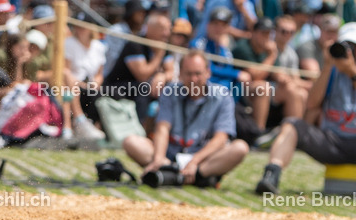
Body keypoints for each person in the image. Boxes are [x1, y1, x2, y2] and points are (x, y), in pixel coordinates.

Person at [256, 23, 356, 195]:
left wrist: (352, 72)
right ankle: (271, 174)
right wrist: (327, 67)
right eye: (346, 47)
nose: (349, 53)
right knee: (292, 125)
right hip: (332, 141)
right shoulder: (332, 71)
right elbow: (311, 104)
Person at [124, 51, 249, 187]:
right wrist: (159, 158)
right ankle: (184, 173)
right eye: (188, 74)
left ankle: (187, 174)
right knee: (131, 142)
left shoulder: (223, 96)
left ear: (208, 73)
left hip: (203, 158)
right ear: (180, 74)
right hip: (170, 155)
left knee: (240, 148)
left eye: (198, 73)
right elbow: (162, 128)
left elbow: (221, 137)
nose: (193, 79)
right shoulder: (169, 91)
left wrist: (195, 161)